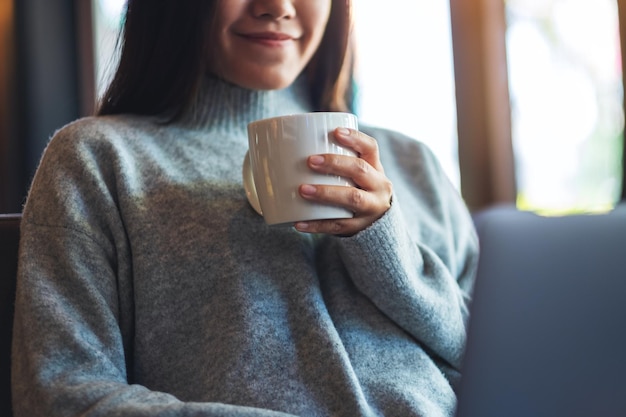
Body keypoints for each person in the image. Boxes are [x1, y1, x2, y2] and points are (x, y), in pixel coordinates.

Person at [11, 1, 479, 416]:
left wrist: (386, 248)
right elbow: (64, 396)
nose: (277, 6)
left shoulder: (412, 165)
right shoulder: (100, 160)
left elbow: (495, 360)